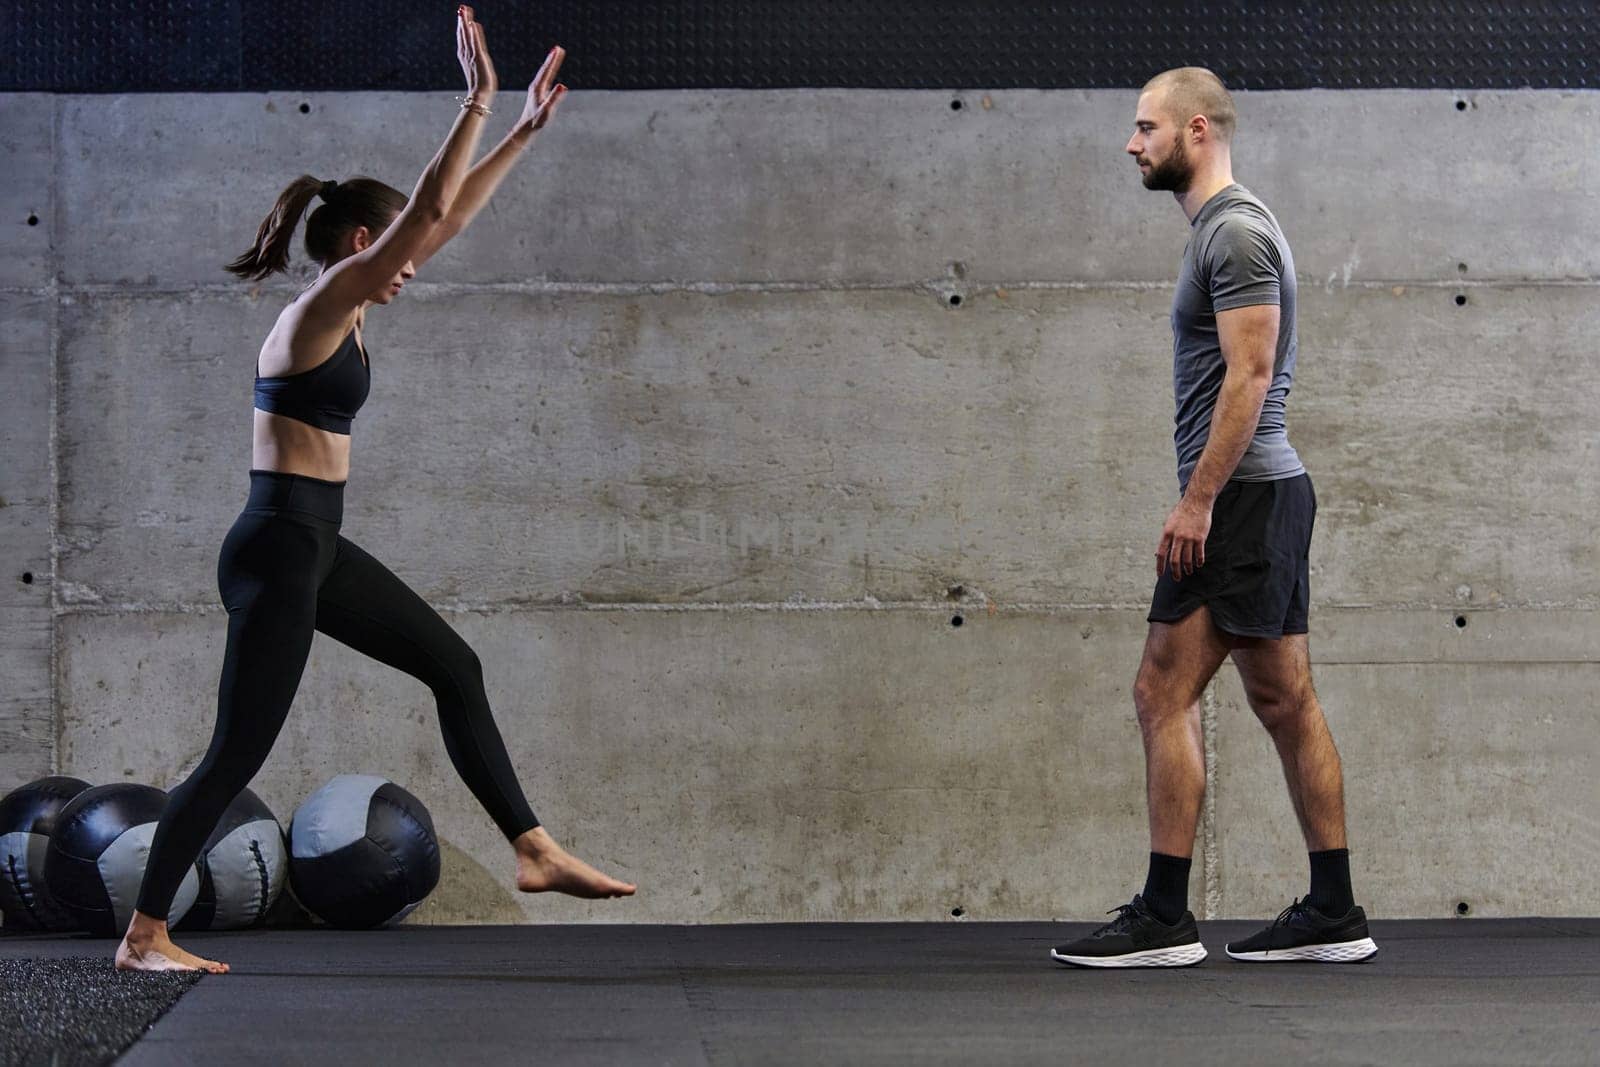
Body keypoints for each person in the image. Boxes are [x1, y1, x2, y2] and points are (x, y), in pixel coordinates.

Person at [116, 6, 634, 975]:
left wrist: (520, 133)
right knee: (234, 754)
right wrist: (475, 103)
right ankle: (144, 934)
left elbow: (447, 219)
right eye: (392, 255)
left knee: (455, 664)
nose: (409, 271)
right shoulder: (314, 312)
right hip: (274, 548)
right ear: (360, 241)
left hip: (316, 546)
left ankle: (531, 845)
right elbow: (426, 218)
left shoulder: (353, 317)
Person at [1051, 68, 1377, 967]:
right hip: (1264, 494)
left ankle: (1163, 917)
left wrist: (1197, 499)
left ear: (1197, 130)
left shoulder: (1232, 236)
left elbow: (1252, 373)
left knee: (1162, 690)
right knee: (1283, 697)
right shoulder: (1230, 229)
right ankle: (1336, 908)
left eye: (1145, 127)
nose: (1132, 143)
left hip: (1238, 498)